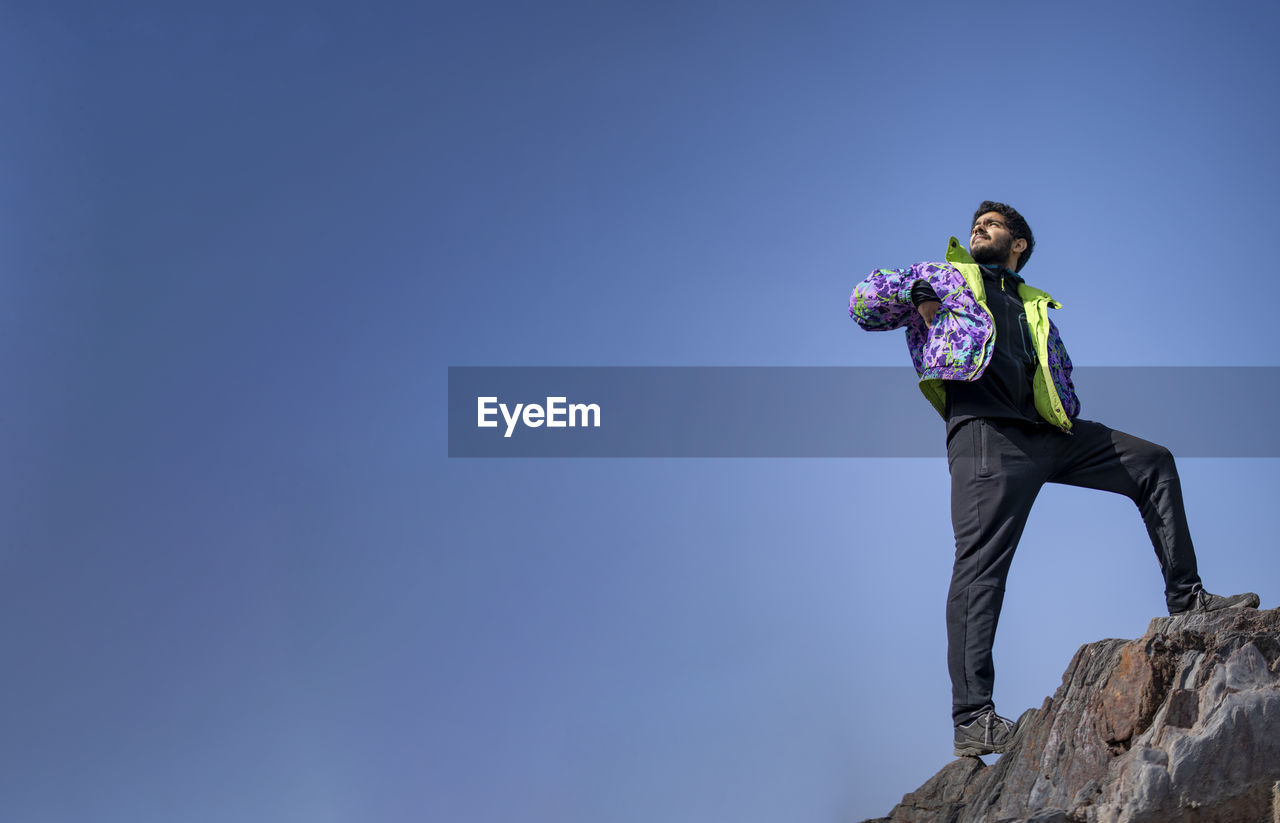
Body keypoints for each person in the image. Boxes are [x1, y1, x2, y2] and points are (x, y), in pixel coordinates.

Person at [847, 201, 1260, 758]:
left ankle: (1187, 599)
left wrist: (1060, 408)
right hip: (986, 434)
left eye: (992, 225)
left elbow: (1058, 372)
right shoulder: (945, 277)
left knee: (1153, 461)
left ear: (1018, 244)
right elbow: (864, 304)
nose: (979, 229)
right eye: (976, 224)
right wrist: (916, 293)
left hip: (1049, 434)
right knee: (981, 566)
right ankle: (974, 718)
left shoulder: (1035, 305)